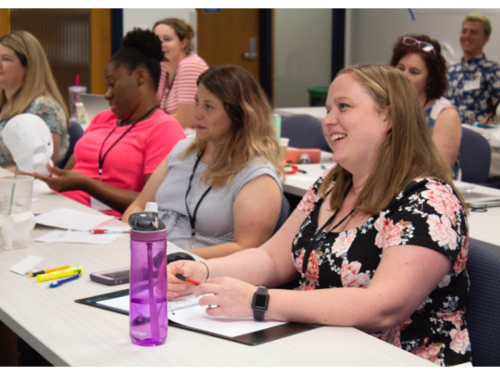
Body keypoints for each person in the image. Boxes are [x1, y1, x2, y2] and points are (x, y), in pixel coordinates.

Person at [167, 65, 472, 367]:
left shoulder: (429, 202)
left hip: (398, 357)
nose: (328, 120)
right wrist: (201, 272)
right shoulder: (332, 185)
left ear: (389, 117)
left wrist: (258, 301)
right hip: (319, 346)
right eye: (328, 109)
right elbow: (272, 259)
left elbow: (382, 308)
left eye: (344, 107)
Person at [123, 65, 284, 259]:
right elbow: (138, 206)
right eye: (197, 101)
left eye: (208, 106)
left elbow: (246, 250)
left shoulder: (256, 176)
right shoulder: (182, 150)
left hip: (199, 272)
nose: (197, 113)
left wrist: (170, 257)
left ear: (239, 115)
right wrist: (130, 243)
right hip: (151, 257)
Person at [34, 30, 185, 216]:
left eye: (112, 84)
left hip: (104, 225)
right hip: (60, 210)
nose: (107, 94)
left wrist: (86, 184)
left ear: (140, 77)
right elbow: (67, 175)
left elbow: (152, 205)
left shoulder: (164, 128)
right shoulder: (103, 118)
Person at [391, 35, 462, 178]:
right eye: (400, 68)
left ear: (430, 78)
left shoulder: (445, 114)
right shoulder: (385, 104)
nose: (404, 76)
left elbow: (438, 171)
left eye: (414, 72)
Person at [0, 31, 69, 169]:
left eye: (6, 59)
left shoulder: (44, 108)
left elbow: (40, 168)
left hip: (25, 188)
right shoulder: (4, 103)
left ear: (28, 66)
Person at [153, 18, 209, 129]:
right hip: (172, 131)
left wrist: (146, 123)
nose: (160, 45)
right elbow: (150, 110)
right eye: (156, 40)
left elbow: (185, 121)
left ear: (183, 43)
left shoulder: (190, 65)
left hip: (195, 136)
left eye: (167, 39)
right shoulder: (163, 67)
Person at [446, 13, 500, 124]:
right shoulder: (450, 71)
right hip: (450, 131)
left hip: (479, 135)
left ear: (486, 39)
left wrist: (481, 127)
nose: (467, 36)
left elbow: (498, 109)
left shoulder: (492, 70)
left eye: (473, 32)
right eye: (464, 31)